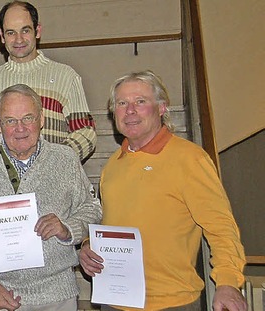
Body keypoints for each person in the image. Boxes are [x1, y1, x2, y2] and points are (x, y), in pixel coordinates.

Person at [79, 70, 247, 311]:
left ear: (161, 108)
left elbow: (221, 227)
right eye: (122, 103)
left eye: (140, 101)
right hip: (115, 300)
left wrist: (228, 283)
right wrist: (89, 246)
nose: (130, 111)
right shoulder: (113, 165)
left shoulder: (189, 159)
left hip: (171, 303)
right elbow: (110, 225)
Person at [0, 84, 101, 311]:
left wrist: (67, 228)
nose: (20, 128)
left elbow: (92, 210)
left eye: (27, 118)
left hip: (57, 296)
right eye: (10, 120)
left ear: (41, 120)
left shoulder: (65, 159)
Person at [0, 1, 96, 162]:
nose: (18, 39)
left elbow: (86, 132)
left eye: (25, 30)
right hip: (3, 183)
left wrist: (54, 162)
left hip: (53, 181)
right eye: (11, 32)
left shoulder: (66, 77)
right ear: (1, 36)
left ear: (37, 30)